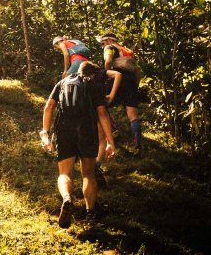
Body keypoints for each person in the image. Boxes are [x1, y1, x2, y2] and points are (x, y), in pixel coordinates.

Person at [40, 61, 116, 228]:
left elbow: (48, 107)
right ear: (92, 74)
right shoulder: (92, 84)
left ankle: (67, 198)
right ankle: (90, 214)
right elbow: (102, 113)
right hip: (87, 129)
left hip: (64, 129)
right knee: (88, 173)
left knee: (64, 173)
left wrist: (45, 133)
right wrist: (110, 142)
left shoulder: (62, 83)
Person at [98, 32, 143, 150]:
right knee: (133, 115)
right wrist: (135, 85)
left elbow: (108, 61)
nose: (102, 46)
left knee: (101, 104)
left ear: (108, 40)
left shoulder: (109, 47)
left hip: (116, 78)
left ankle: (113, 130)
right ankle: (138, 145)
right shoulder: (128, 51)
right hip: (131, 80)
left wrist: (106, 74)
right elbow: (138, 71)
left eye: (102, 43)